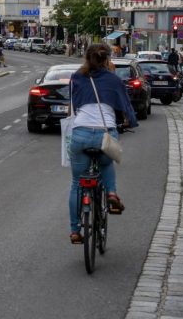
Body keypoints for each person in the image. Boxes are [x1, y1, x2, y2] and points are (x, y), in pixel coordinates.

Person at [67, 43, 138, 244]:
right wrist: (130, 121)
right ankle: (112, 194)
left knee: (76, 184)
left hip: (80, 133)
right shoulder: (114, 79)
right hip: (104, 134)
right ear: (107, 59)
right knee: (106, 163)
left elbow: (74, 103)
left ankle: (74, 231)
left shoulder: (77, 77)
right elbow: (125, 105)